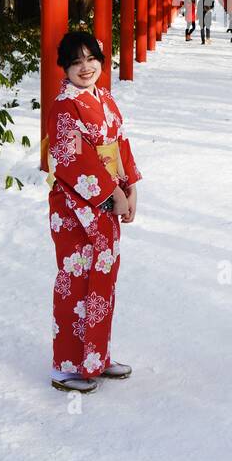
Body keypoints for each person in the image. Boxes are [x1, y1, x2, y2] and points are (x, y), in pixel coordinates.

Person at [45, 30, 142, 393]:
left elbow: (120, 147)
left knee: (103, 279)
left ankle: (95, 357)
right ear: (65, 68)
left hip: (105, 202)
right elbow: (71, 160)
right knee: (75, 280)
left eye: (91, 59)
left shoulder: (105, 99)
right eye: (76, 61)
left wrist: (130, 187)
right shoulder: (64, 106)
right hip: (75, 206)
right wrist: (111, 191)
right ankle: (65, 366)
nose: (85, 68)